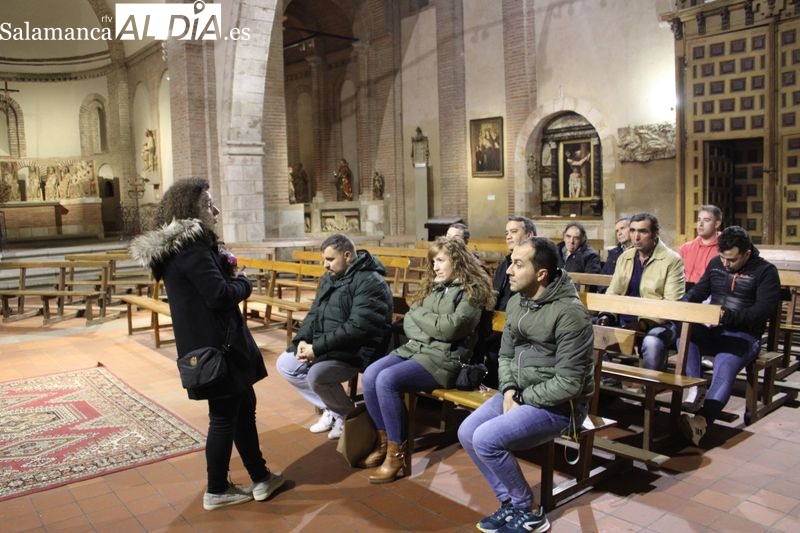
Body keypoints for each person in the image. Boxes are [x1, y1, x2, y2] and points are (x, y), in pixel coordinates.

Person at [129, 177, 284, 511]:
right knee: (226, 416)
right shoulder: (192, 248)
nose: (215, 209)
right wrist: (244, 283)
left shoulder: (179, 249)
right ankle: (217, 489)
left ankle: (260, 477)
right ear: (190, 210)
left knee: (241, 409)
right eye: (207, 203)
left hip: (212, 345)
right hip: (219, 348)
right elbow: (218, 295)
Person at [458, 237, 594, 533]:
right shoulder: (519, 302)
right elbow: (506, 354)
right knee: (467, 431)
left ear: (541, 273)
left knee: (486, 439)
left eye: (518, 264)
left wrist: (522, 396)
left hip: (562, 406)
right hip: (520, 393)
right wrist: (508, 391)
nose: (508, 270)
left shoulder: (570, 314)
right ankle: (509, 502)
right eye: (511, 261)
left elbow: (569, 383)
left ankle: (528, 510)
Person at [360, 237, 496, 483]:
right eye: (433, 261)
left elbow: (451, 329)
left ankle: (396, 454)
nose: (435, 266)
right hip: (417, 350)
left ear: (457, 260)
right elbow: (410, 321)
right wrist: (428, 324)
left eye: (441, 260)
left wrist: (422, 318)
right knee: (371, 374)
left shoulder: (471, 291)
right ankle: (383, 442)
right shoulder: (433, 285)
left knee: (387, 380)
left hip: (446, 360)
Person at [275, 233, 393, 440]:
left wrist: (317, 348)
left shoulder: (370, 281)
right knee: (286, 364)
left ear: (347, 256)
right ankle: (334, 408)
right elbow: (315, 313)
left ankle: (349, 416)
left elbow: (358, 327)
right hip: (330, 344)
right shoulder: (331, 278)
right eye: (324, 260)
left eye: (330, 259)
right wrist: (302, 340)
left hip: (357, 349)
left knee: (317, 376)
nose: (325, 265)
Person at [679, 226, 780, 445]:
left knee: (724, 364)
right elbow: (699, 292)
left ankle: (701, 422)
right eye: (723, 258)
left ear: (747, 253)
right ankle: (696, 388)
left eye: (732, 260)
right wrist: (683, 305)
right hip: (714, 328)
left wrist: (727, 317)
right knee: (684, 335)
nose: (726, 264)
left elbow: (762, 311)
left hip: (744, 336)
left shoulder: (765, 271)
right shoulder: (716, 263)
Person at [599, 213, 685, 371]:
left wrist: (643, 323)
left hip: (660, 323)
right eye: (632, 231)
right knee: (587, 330)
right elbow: (613, 292)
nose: (636, 237)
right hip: (624, 319)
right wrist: (606, 315)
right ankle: (607, 383)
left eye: (643, 232)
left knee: (652, 342)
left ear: (655, 233)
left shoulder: (672, 260)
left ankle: (650, 391)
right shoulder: (625, 257)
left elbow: (671, 305)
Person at [484, 216, 537, 389]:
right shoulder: (505, 263)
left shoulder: (536, 265)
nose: (508, 236)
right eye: (507, 232)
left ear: (529, 235)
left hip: (519, 327)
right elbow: (494, 294)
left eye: (514, 232)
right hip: (497, 324)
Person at [680, 204, 722, 285]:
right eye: (699, 220)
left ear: (717, 224)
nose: (701, 224)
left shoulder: (724, 250)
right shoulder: (685, 248)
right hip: (685, 293)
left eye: (706, 220)